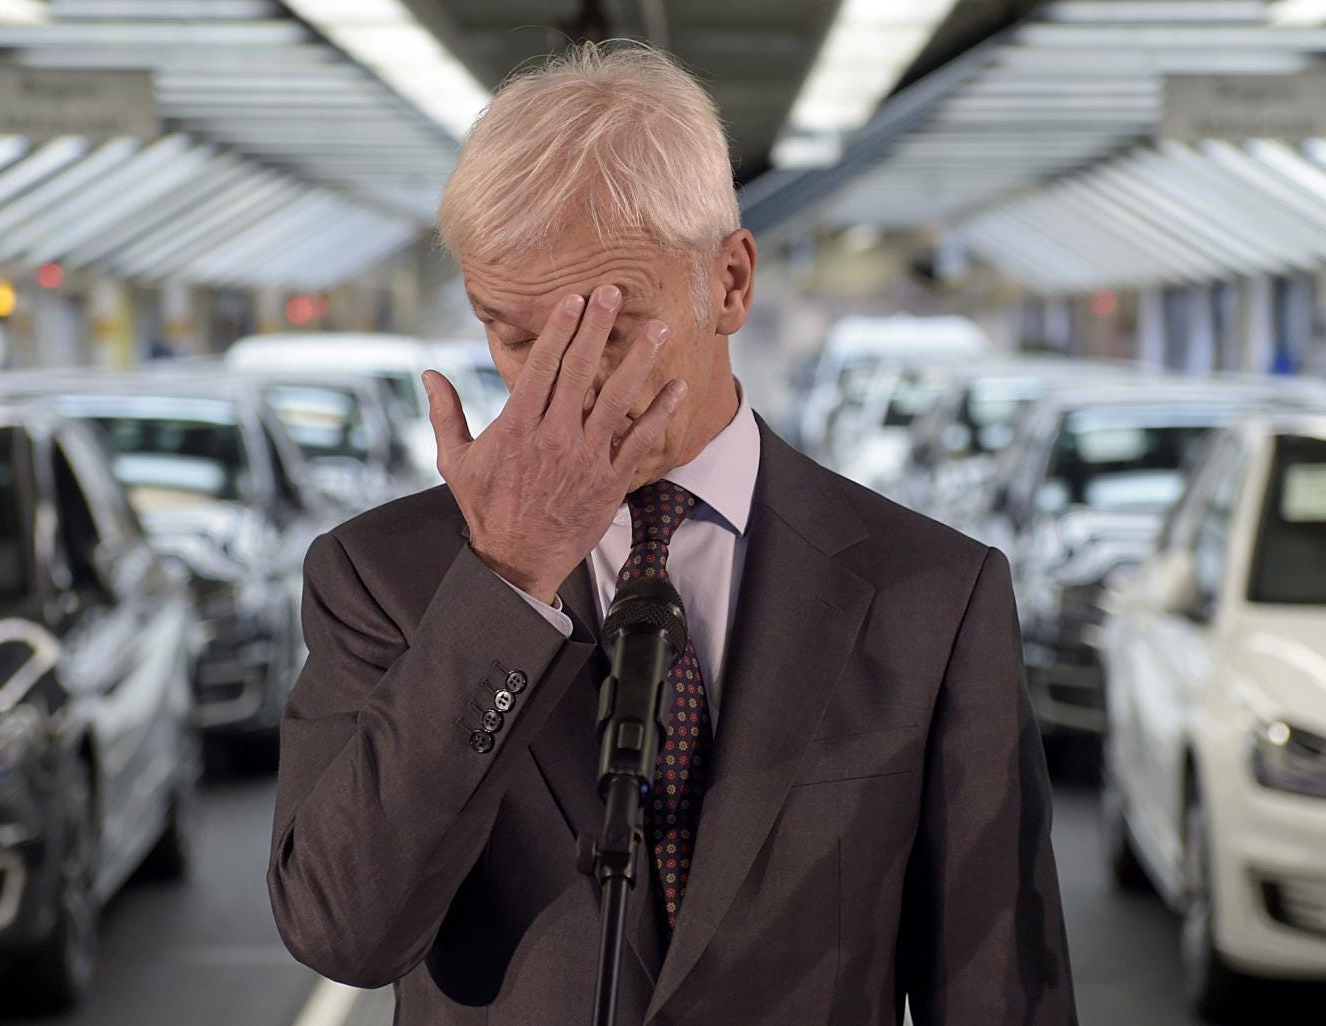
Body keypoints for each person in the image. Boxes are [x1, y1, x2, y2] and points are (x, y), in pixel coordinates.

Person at [266, 43, 1077, 1026]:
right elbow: (341, 931)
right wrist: (508, 577)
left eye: (606, 326)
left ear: (730, 283)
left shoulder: (933, 597)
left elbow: (999, 997)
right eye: (513, 334)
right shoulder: (383, 578)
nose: (557, 382)